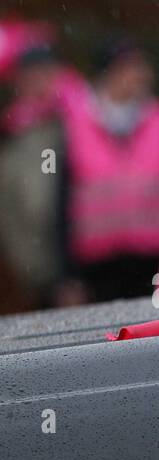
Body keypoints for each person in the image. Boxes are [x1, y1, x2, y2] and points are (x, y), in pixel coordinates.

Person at [60, 38, 159, 303]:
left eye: (141, 66)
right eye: (130, 67)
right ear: (108, 74)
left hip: (156, 263)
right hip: (96, 268)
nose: (140, 75)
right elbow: (61, 203)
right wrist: (67, 276)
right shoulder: (74, 123)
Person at [0, 45, 78, 309]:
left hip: (89, 264)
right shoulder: (15, 134)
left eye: (45, 73)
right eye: (31, 75)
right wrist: (36, 270)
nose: (39, 82)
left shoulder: (83, 120)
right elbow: (14, 210)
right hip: (41, 272)